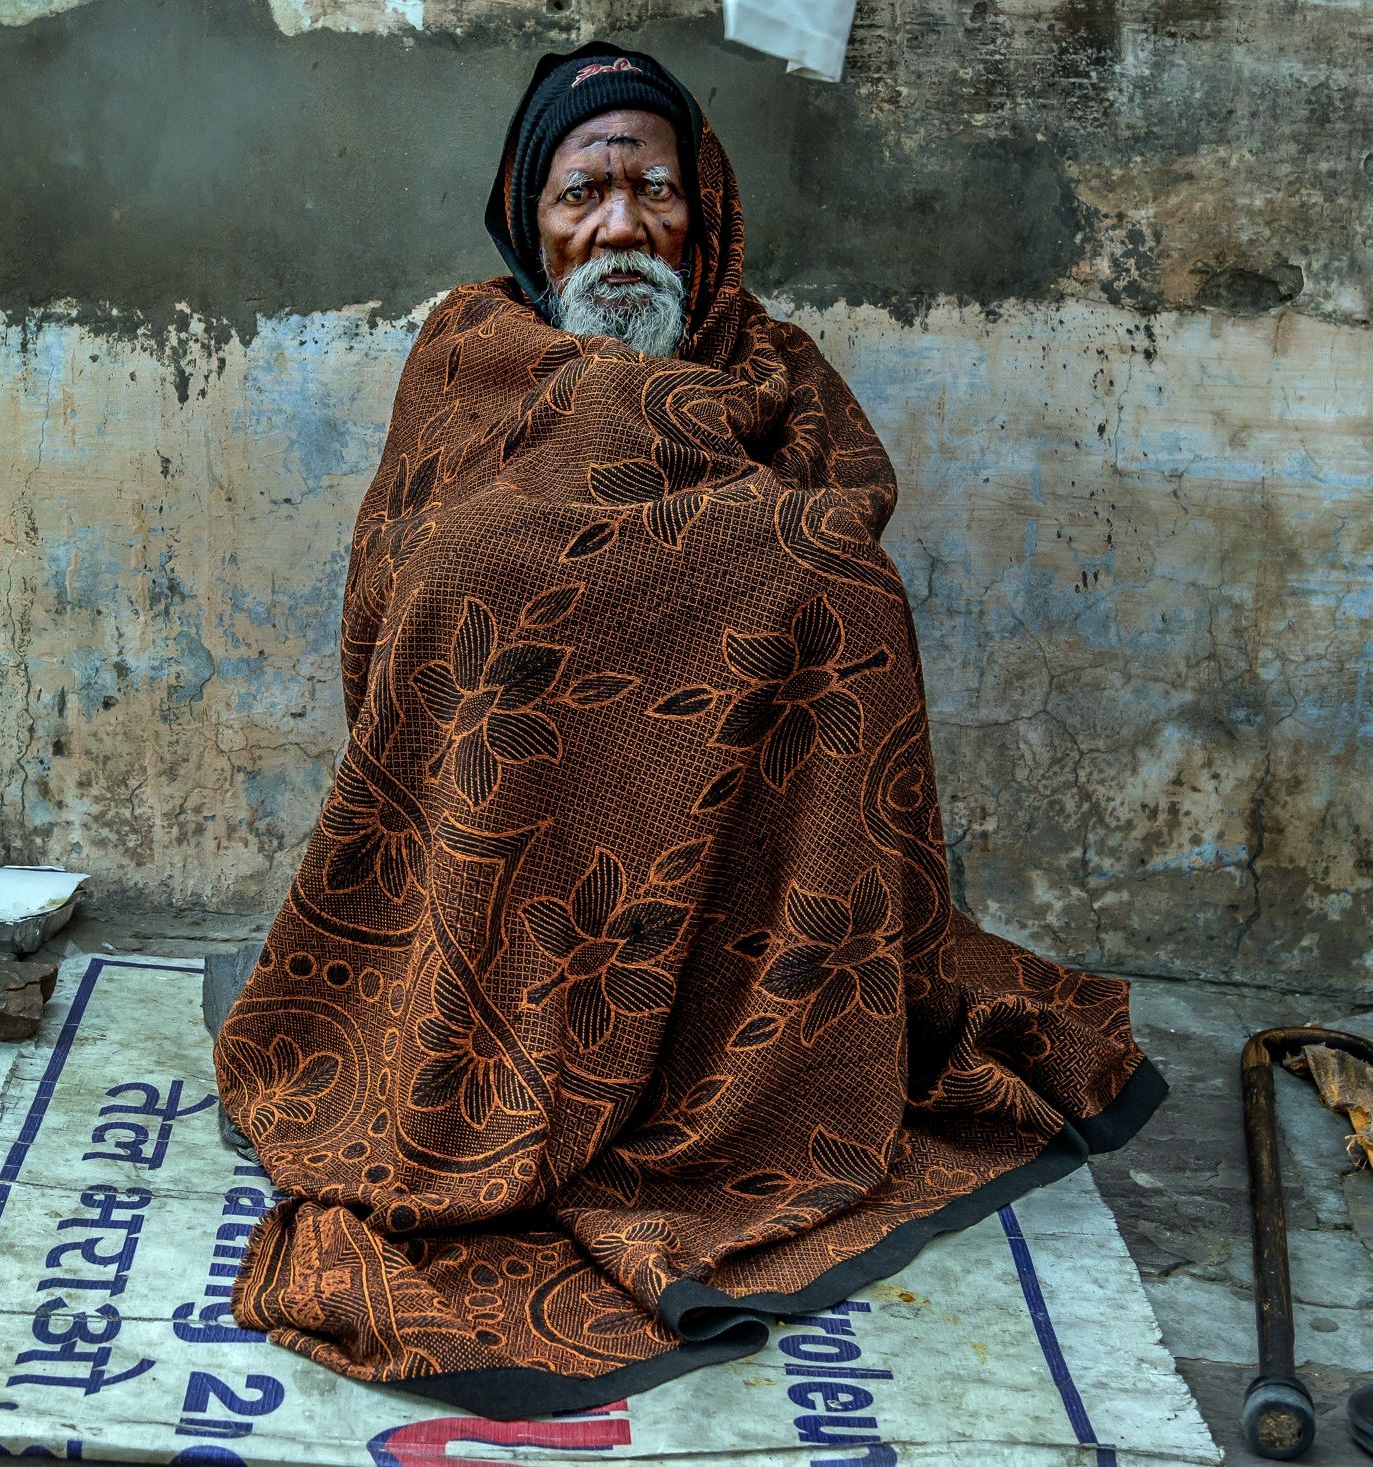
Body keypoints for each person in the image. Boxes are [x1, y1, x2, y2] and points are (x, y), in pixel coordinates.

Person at [209, 41, 1164, 1419]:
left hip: (740, 865)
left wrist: (711, 554)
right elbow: (413, 573)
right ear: (529, 217)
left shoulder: (772, 366)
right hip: (510, 865)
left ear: (700, 209)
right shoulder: (469, 354)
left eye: (650, 188)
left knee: (838, 590)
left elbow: (838, 529)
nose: (618, 226)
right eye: (580, 194)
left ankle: (740, 1059)